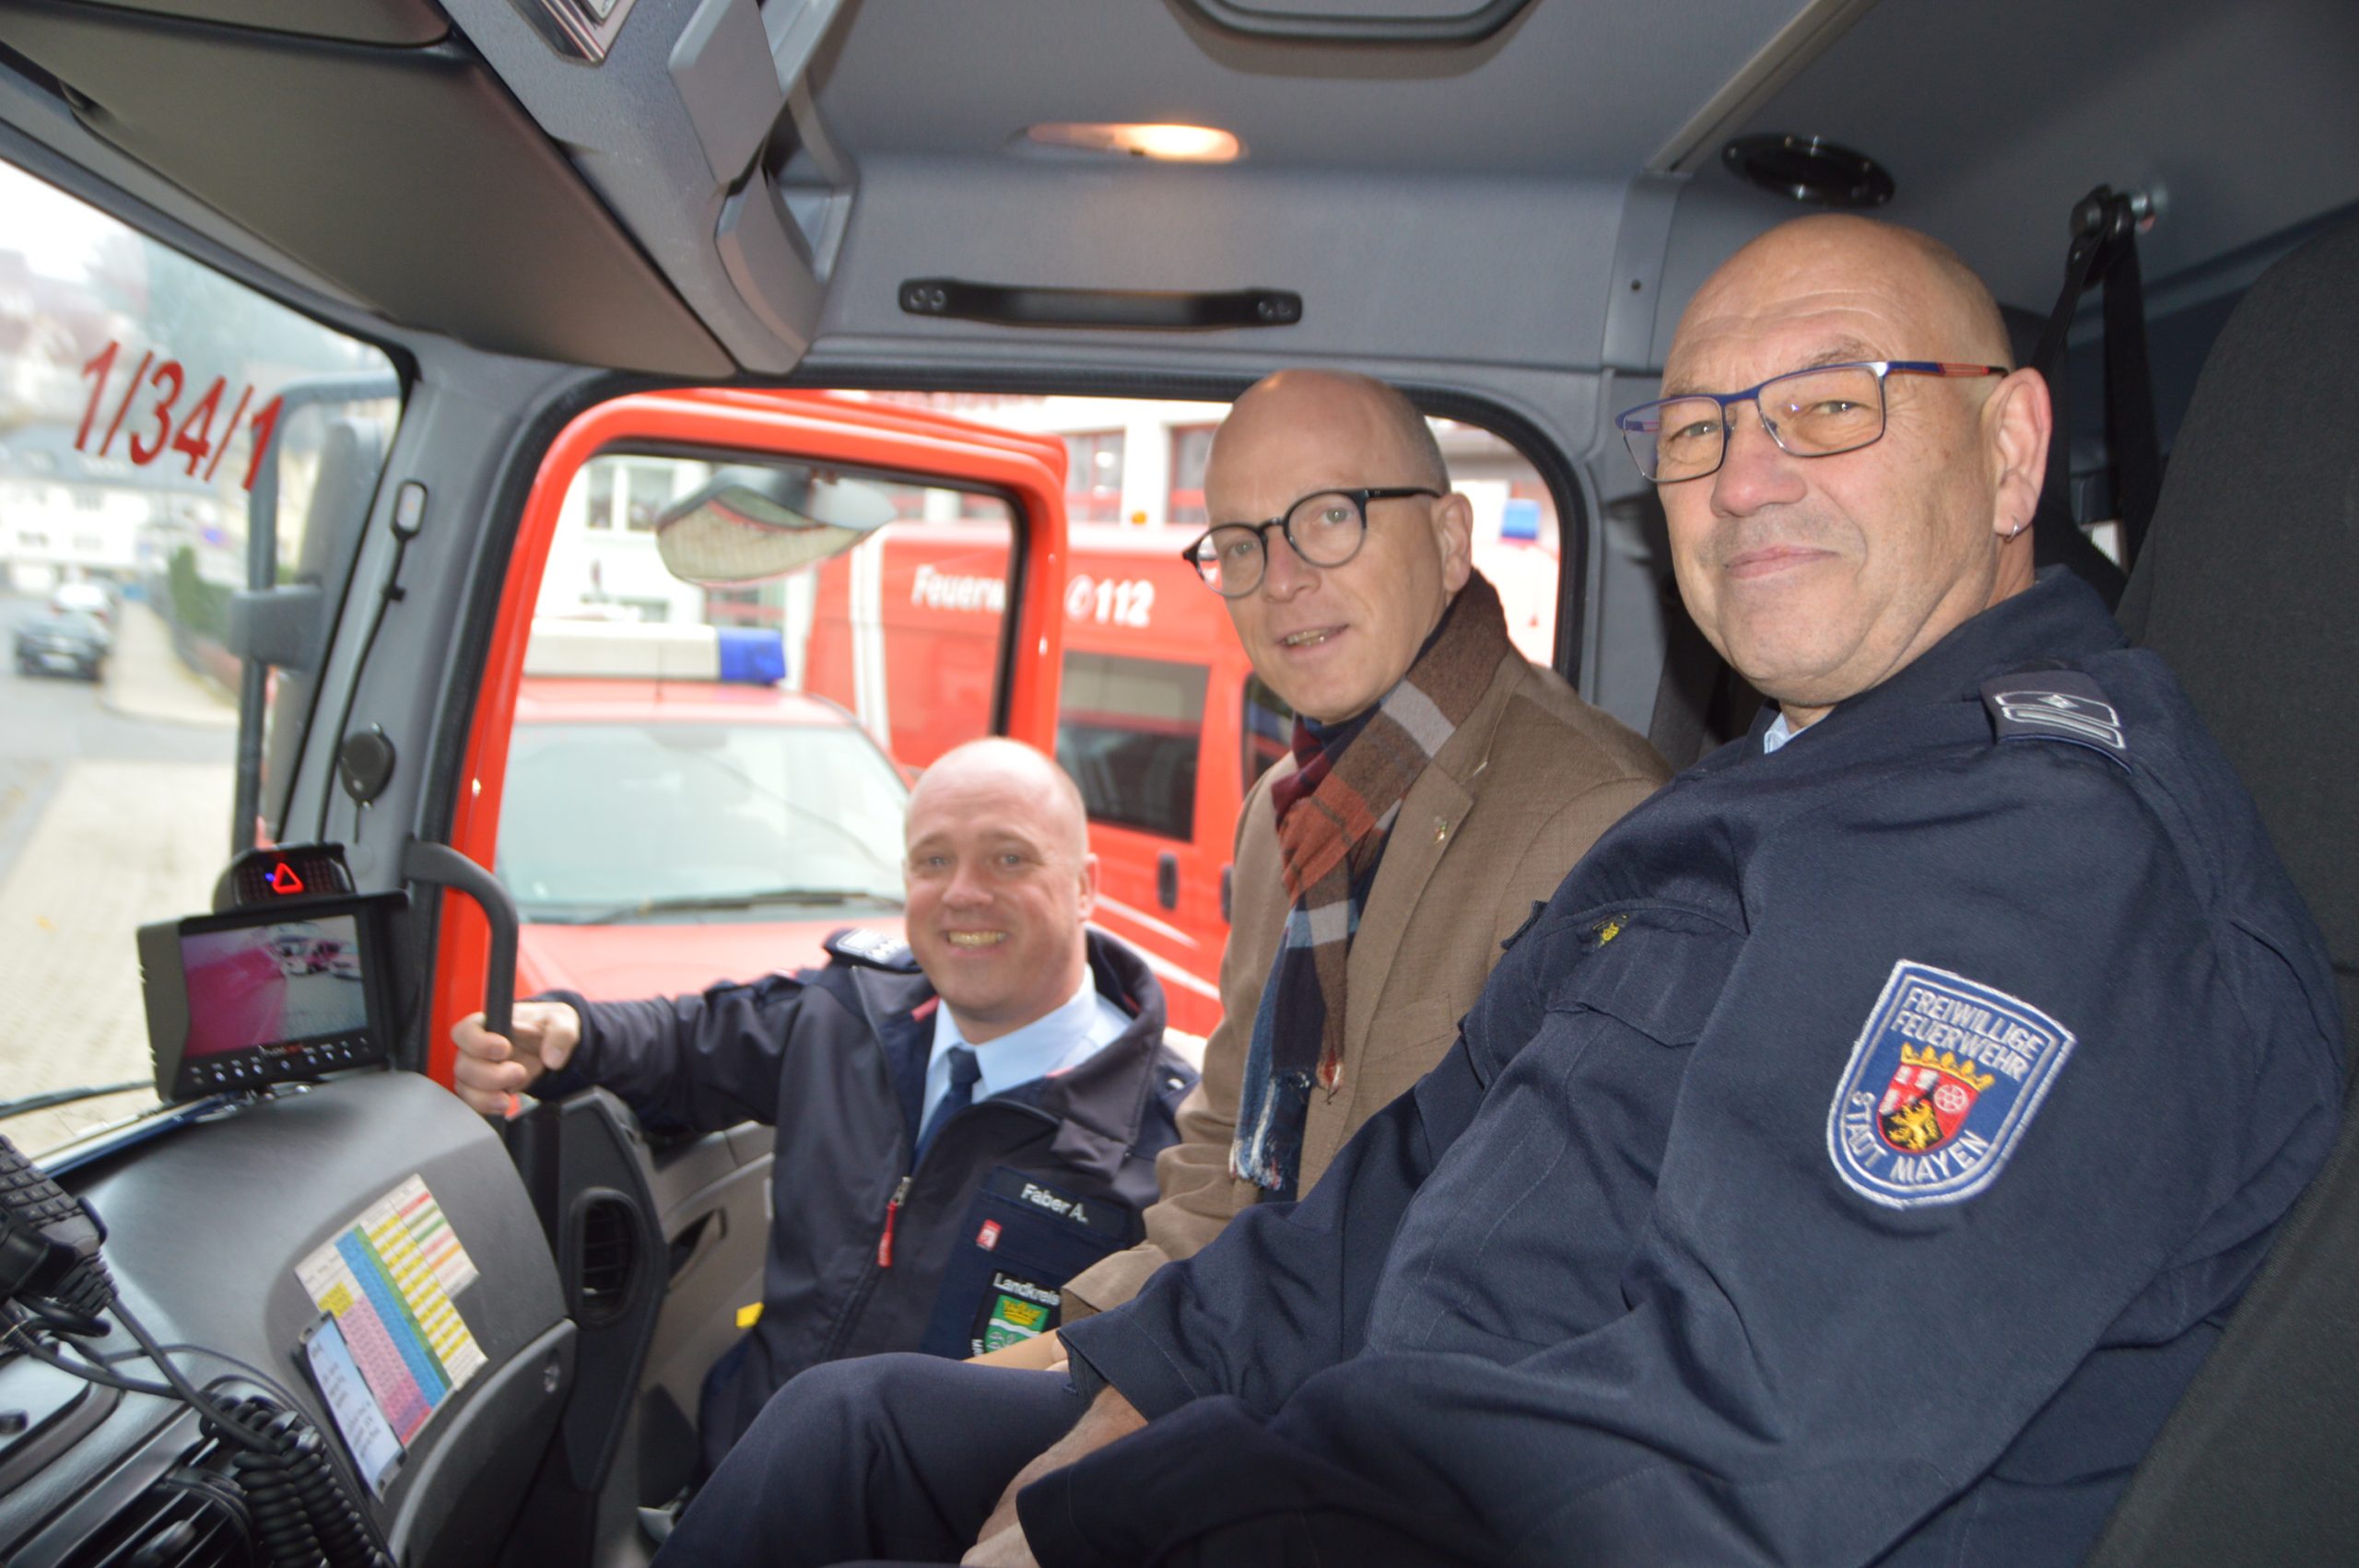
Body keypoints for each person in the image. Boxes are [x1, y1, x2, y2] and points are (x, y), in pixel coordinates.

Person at [654, 216, 2344, 1568]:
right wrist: (1140, 1385)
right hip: (1395, 1424)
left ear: (2010, 447)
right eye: (1698, 430)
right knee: (844, 1431)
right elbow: (1401, 1172)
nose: (1746, 477)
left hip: (1484, 1491)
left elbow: (1710, 1463)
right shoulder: (1759, 804)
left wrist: (1133, 1511)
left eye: (1831, 404)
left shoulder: (2033, 861)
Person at [986, 369, 1667, 1355]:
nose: (1280, 579)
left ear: (1449, 541)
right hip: (1225, 1343)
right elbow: (1223, 1154)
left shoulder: (1597, 817)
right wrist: (1090, 1349)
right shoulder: (1285, 813)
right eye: (1240, 543)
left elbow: (1533, 1275)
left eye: (1330, 517)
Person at [449, 738, 1197, 1478]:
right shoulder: (844, 1016)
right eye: (934, 860)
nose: (963, 892)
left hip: (942, 1524)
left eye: (1009, 858)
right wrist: (564, 1037)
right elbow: (685, 1042)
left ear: (1085, 886)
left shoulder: (1171, 1149)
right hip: (744, 1477)